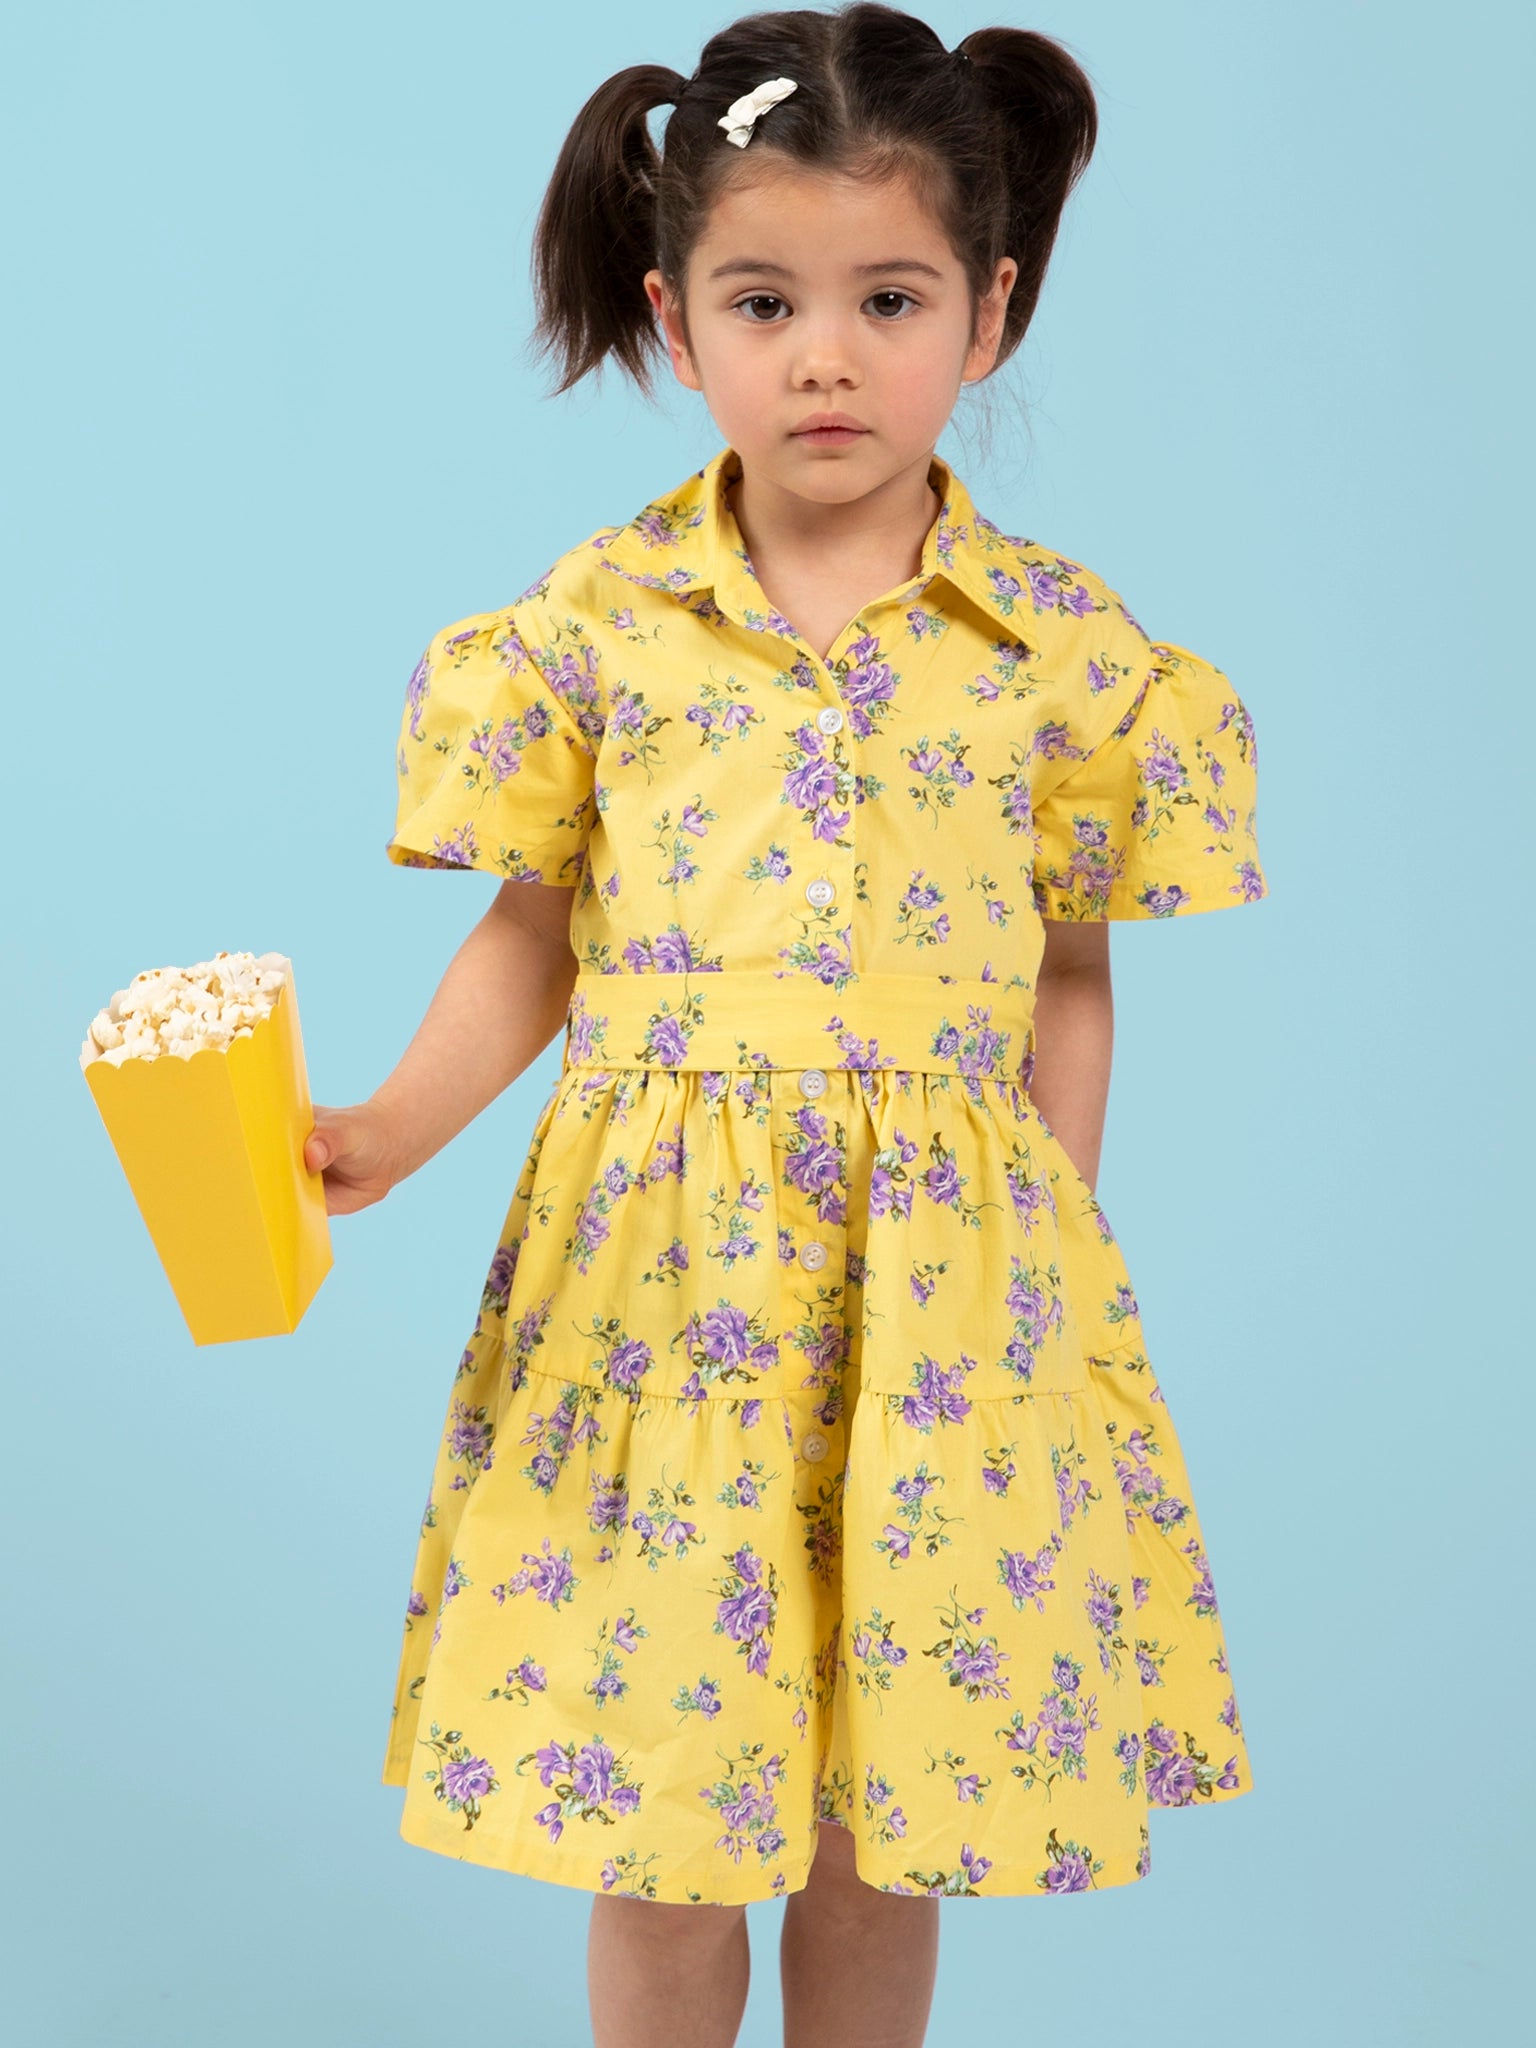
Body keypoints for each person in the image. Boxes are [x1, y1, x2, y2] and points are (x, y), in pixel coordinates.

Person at [305, 6, 1269, 2044]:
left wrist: (1044, 1249)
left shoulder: (1063, 655)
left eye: (888, 297)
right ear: (672, 321)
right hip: (663, 1296)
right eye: (764, 299)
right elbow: (533, 933)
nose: (825, 355)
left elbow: (1069, 970)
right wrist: (389, 1125)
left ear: (988, 312)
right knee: (658, 1820)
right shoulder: (595, 627)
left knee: (879, 1824)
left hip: (946, 1304)